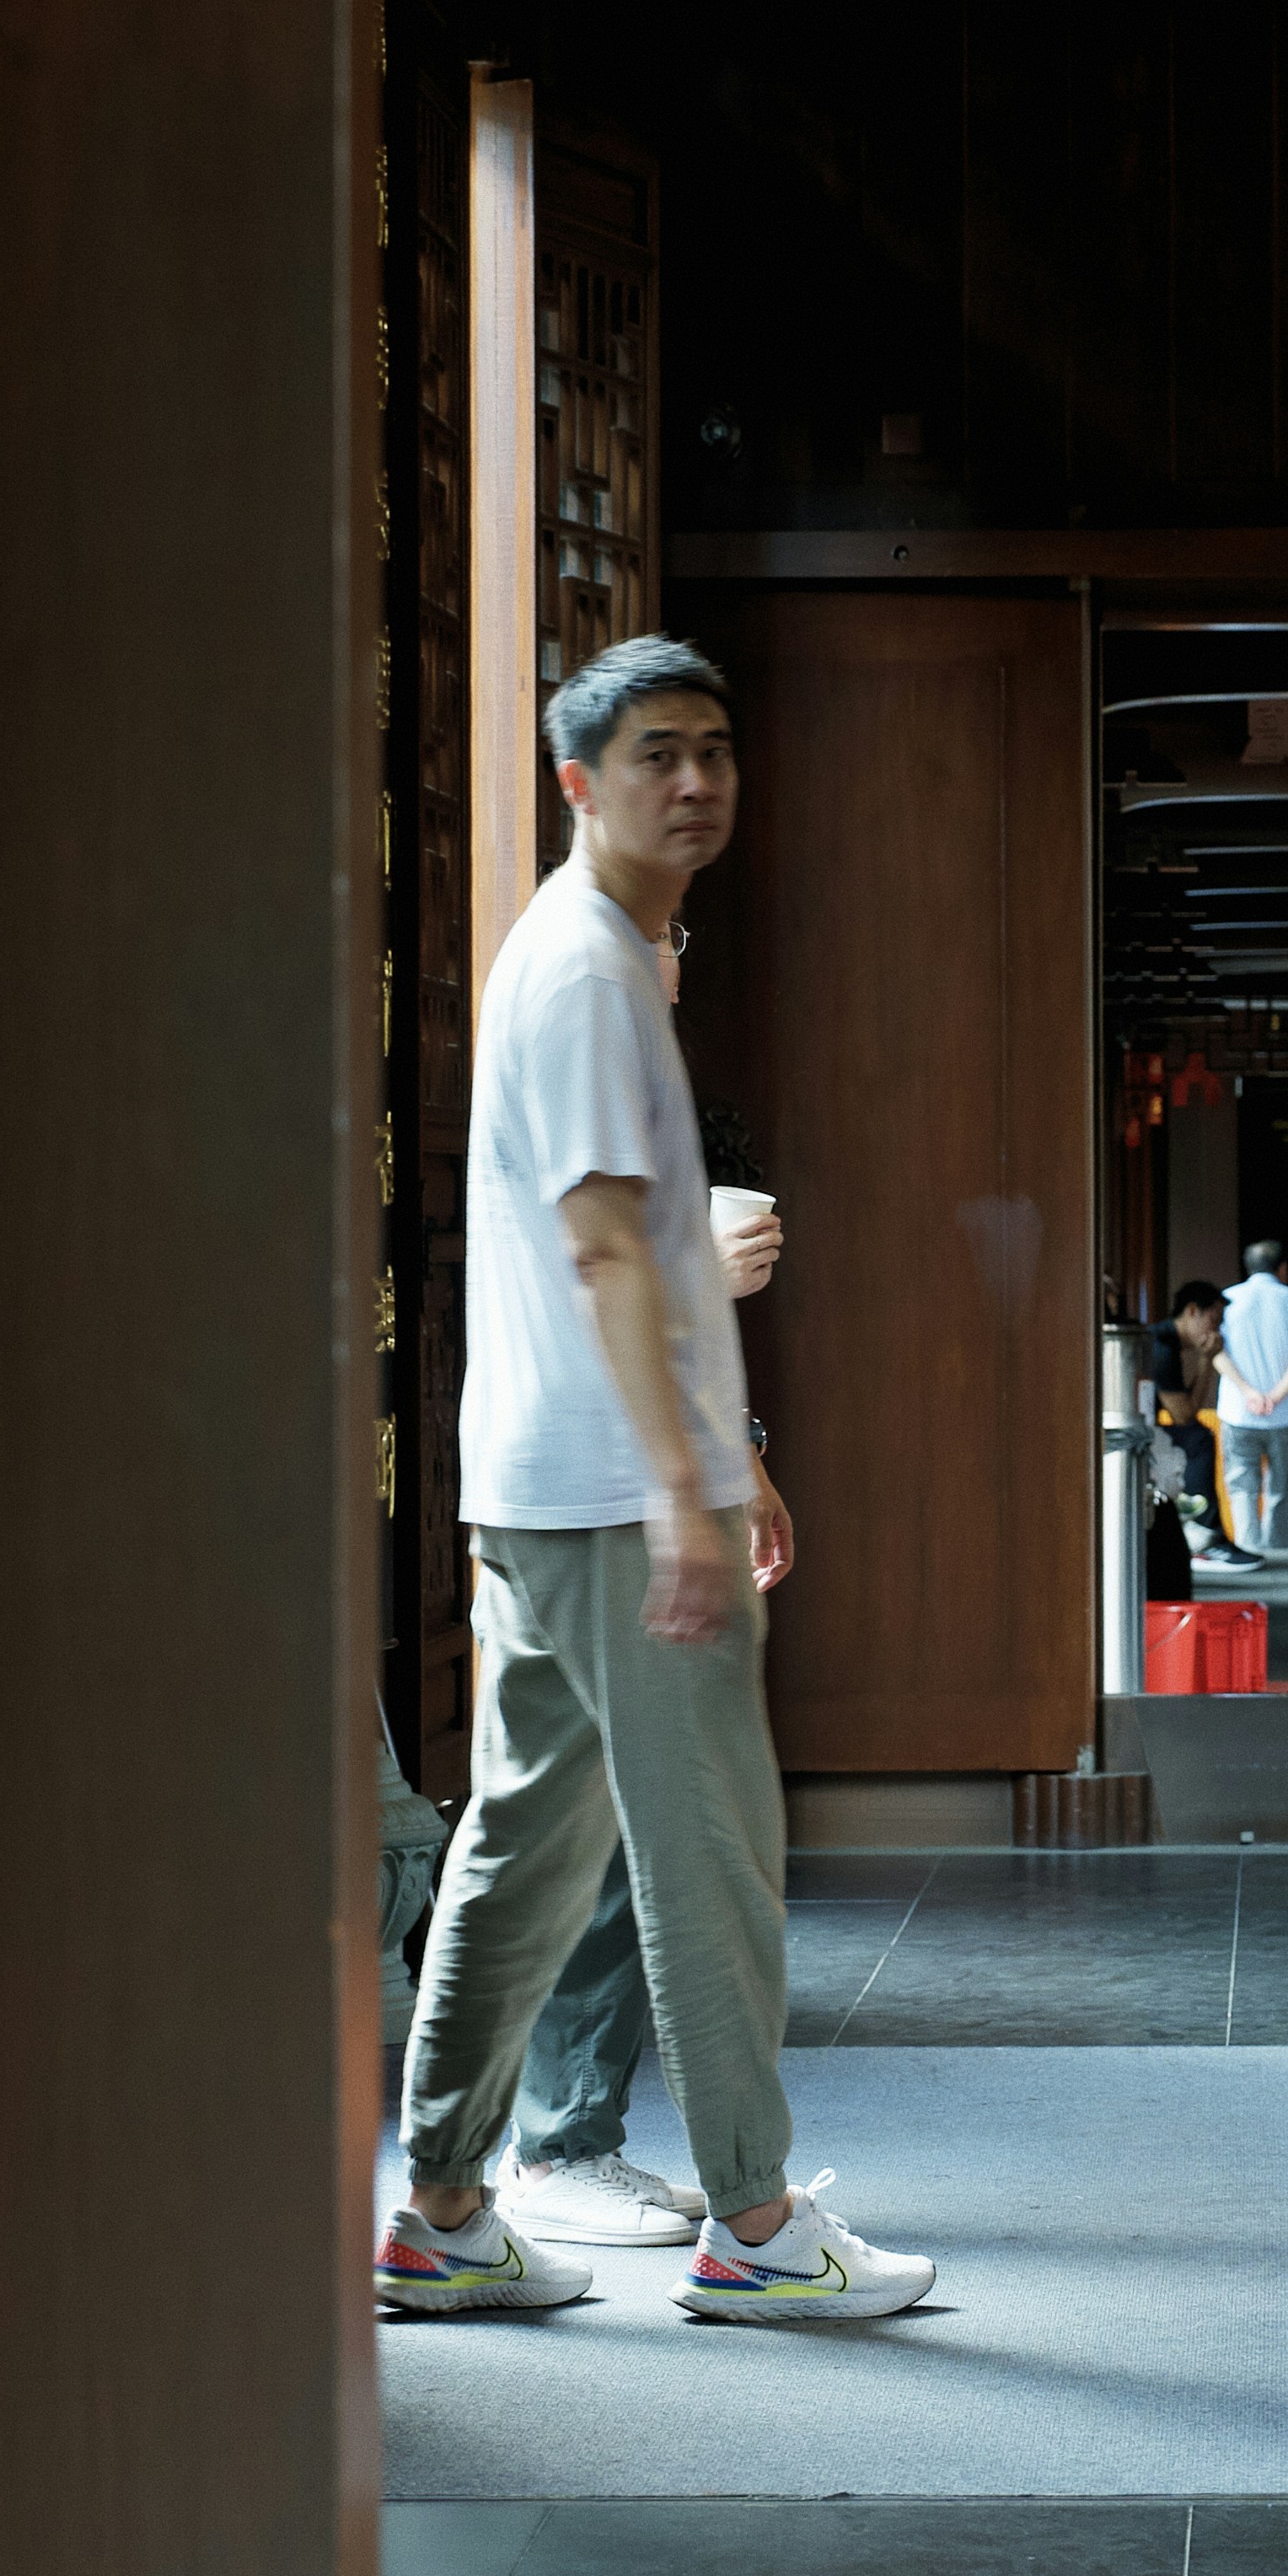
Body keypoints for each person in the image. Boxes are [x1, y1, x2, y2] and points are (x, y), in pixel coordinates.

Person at [375, 633, 934, 2323]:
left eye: (712, 751)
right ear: (576, 785)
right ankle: (758, 2228)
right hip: (613, 1498)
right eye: (652, 757)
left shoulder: (596, 956)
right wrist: (688, 1489)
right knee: (708, 1852)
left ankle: (443, 2207)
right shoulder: (589, 973)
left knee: (530, 1850)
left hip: (548, 1484)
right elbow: (613, 1251)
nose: (693, 782)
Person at [489, 928, 791, 2256]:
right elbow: (567, 1294)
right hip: (589, 1499)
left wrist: (750, 1465)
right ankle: (551, 2147)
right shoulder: (566, 1043)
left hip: (654, 1489)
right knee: (587, 1836)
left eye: (679, 932)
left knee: (612, 1830)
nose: (674, 950)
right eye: (661, 930)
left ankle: (530, 2157)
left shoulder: (648, 1077)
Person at [1216, 1240, 1288, 1552]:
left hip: (1238, 1411)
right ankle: (1278, 1554)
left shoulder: (1227, 1300)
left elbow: (1216, 1353)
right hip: (1284, 1412)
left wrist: (1249, 1392)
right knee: (1281, 1490)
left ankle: (1248, 1549)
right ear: (1282, 1268)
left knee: (1241, 1487)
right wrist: (1274, 1396)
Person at [1151, 1280, 1262, 1571]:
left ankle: (1207, 1534)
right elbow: (1184, 1417)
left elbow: (1188, 1412)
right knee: (1197, 1439)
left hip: (1144, 1431)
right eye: (1213, 1321)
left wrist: (1207, 1361)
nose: (1216, 1332)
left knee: (1198, 1436)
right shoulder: (1160, 1347)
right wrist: (1205, 1361)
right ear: (1191, 1311)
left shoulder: (1168, 1343)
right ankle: (1203, 1536)